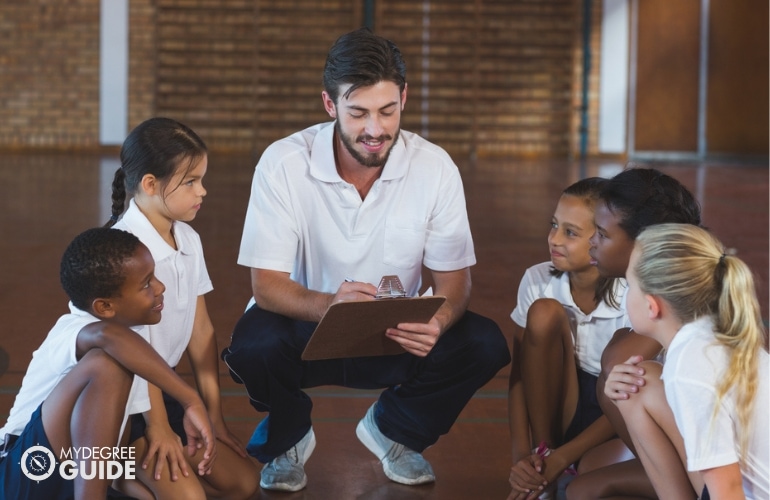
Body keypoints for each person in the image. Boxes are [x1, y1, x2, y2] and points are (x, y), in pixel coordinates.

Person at [220, 27, 510, 492]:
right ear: (329, 105)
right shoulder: (283, 163)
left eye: (387, 110)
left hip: (394, 335)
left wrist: (438, 319)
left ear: (404, 99)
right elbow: (266, 285)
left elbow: (455, 283)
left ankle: (395, 431)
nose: (375, 130)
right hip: (308, 326)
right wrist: (328, 305)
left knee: (483, 342)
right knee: (253, 346)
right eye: (357, 113)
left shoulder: (435, 167)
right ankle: (288, 437)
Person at [104, 117, 258, 499]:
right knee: (190, 497)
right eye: (190, 182)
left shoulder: (188, 237)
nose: (202, 191)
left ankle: (143, 469)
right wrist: (158, 427)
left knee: (244, 483)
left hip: (165, 387)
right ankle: (114, 471)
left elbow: (201, 332)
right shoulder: (125, 252)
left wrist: (214, 419)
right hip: (124, 402)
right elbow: (137, 356)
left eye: (201, 179)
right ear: (150, 185)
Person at [0, 227, 215, 500]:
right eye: (147, 283)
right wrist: (190, 399)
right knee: (106, 363)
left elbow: (112, 439)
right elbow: (106, 337)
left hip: (70, 477)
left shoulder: (130, 340)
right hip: (22, 472)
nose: (160, 288)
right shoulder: (76, 330)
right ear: (104, 307)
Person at [565, 167, 703, 499]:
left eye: (602, 233)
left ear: (643, 245)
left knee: (627, 372)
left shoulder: (676, 306)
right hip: (687, 451)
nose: (591, 242)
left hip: (717, 470)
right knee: (586, 477)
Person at [609, 224, 768, 498]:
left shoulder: (690, 365)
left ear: (652, 305)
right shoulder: (711, 331)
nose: (625, 294)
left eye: (629, 284)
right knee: (638, 382)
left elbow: (727, 488)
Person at [507, 178, 627, 500]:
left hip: (614, 415)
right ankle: (543, 458)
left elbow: (628, 395)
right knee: (543, 312)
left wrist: (567, 458)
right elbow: (519, 375)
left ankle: (566, 464)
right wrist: (523, 458)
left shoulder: (632, 293)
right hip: (562, 403)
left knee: (589, 478)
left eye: (570, 232)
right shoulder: (537, 278)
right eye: (554, 225)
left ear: (602, 237)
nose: (554, 239)